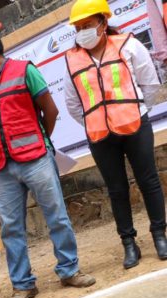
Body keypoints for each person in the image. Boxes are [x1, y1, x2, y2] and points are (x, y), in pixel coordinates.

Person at [0, 16, 97, 298]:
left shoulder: (25, 71)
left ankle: (69, 270)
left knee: (57, 216)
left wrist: (41, 142)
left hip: (36, 158)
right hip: (2, 168)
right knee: (11, 228)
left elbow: (49, 110)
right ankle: (23, 285)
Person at [64, 0, 167, 268]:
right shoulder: (72, 60)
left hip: (135, 124)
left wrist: (136, 108)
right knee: (117, 189)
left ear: (103, 23)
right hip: (100, 134)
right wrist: (98, 118)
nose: (82, 31)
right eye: (78, 27)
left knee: (149, 180)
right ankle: (129, 243)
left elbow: (150, 83)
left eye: (87, 25)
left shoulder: (128, 45)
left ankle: (159, 234)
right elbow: (74, 105)